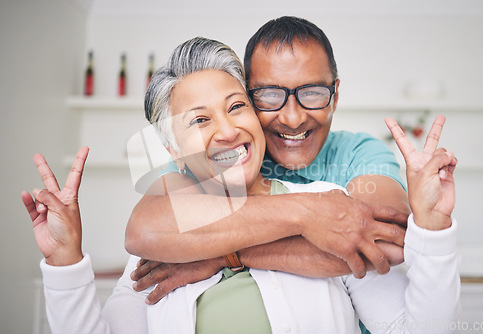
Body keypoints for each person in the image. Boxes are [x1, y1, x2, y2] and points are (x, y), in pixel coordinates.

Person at [23, 37, 460, 333]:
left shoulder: (329, 206)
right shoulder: (162, 244)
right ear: (174, 152)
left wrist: (435, 226)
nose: (228, 131)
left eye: (236, 107)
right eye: (199, 120)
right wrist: (65, 262)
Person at [126, 17, 410, 306]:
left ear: (335, 96)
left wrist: (224, 255)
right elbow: (147, 228)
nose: (293, 118)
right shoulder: (220, 162)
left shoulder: (359, 152)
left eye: (312, 93)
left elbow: (384, 244)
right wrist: (311, 214)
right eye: (270, 96)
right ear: (250, 98)